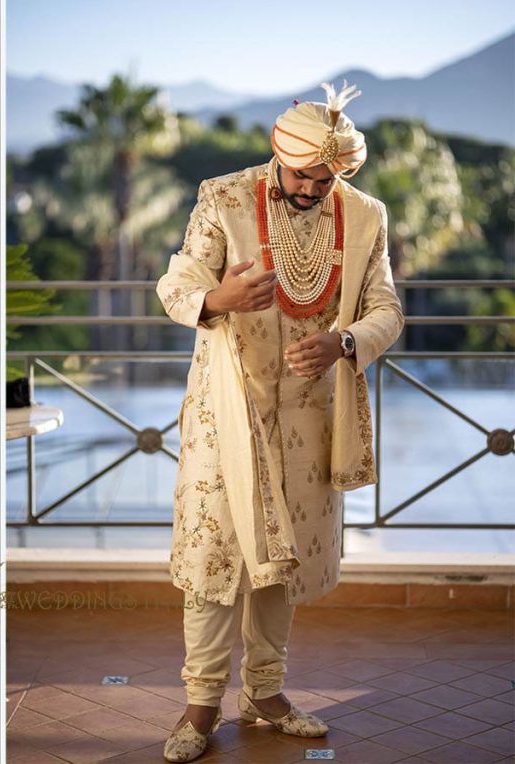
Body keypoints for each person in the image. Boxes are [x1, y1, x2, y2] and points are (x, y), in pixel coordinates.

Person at [155, 83, 403, 763]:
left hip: (309, 414)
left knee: (281, 562)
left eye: (326, 179)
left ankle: (264, 691)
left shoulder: (364, 216)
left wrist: (342, 343)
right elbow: (174, 285)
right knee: (216, 556)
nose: (312, 189)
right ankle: (200, 703)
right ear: (276, 156)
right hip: (226, 410)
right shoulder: (225, 198)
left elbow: (387, 309)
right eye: (302, 176)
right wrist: (219, 297)